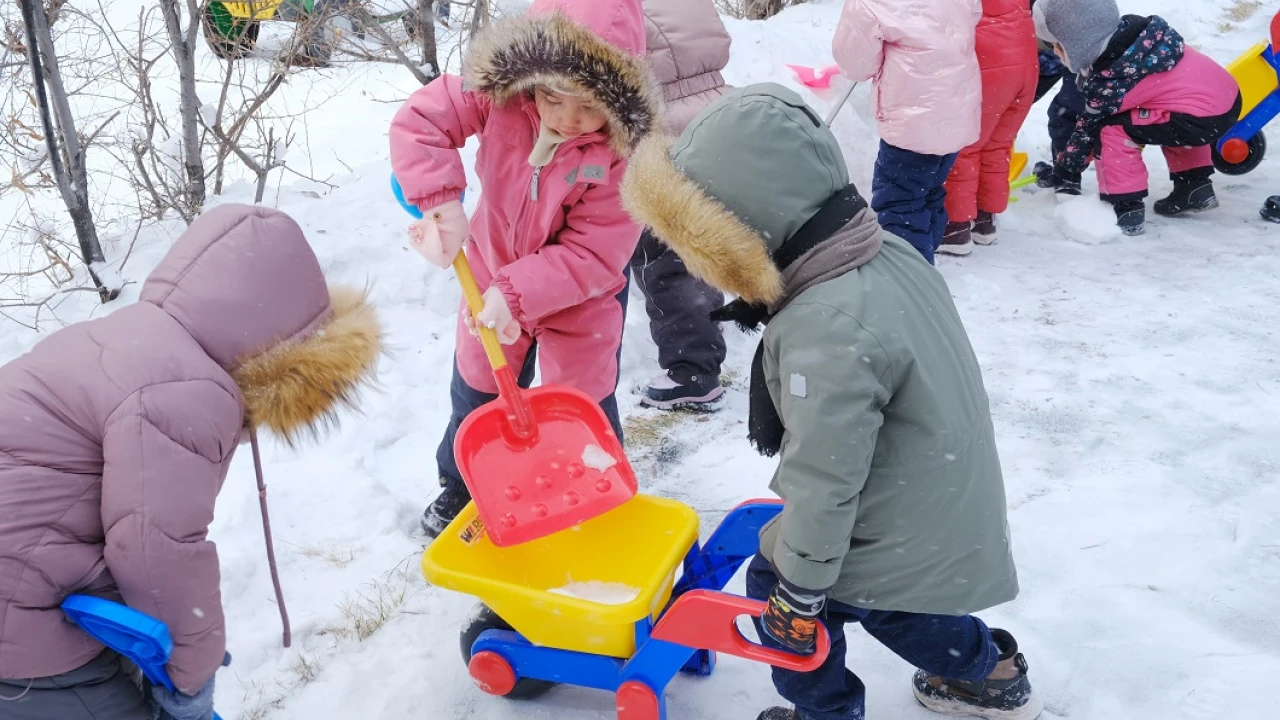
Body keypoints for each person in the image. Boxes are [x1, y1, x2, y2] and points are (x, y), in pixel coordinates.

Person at [621, 82, 1041, 720]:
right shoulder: (883, 253)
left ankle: (827, 712)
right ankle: (991, 670)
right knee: (896, 607)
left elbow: (824, 477)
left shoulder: (828, 326)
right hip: (931, 498)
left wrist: (799, 587)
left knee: (789, 588)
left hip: (890, 521)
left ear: (746, 232)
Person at [0, 205, 382, 720]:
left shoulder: (130, 337)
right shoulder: (187, 393)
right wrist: (191, 683)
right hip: (18, 617)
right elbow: (156, 551)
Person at [388, 0, 662, 537]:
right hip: (490, 270)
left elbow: (593, 253)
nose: (565, 117)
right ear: (529, 75)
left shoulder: (624, 158)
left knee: (581, 407)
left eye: (588, 104)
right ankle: (462, 487)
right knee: (476, 391)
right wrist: (441, 202)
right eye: (553, 96)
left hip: (581, 299)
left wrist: (516, 293)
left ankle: (588, 497)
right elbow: (422, 122)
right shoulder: (503, 97)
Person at [1034, 0, 1242, 235]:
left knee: (1110, 129)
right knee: (1165, 112)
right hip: (1224, 99)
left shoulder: (1112, 81)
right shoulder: (1137, 40)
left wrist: (1065, 170)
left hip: (1197, 117)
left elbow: (1086, 130)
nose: (1055, 53)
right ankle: (1194, 186)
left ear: (1079, 45)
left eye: (1058, 47)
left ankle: (1125, 207)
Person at [630, 0, 730, 411]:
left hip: (662, 133)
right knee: (693, 241)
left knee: (665, 260)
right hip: (710, 121)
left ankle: (692, 371)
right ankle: (705, 339)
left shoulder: (623, 11)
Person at [832, 0, 982, 265]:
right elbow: (973, 14)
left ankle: (910, 276)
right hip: (955, 111)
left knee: (899, 204)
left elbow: (856, 64)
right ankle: (926, 254)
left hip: (911, 124)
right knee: (930, 191)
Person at [939, 0, 1040, 255]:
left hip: (990, 59)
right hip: (1023, 56)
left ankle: (955, 227)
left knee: (965, 145)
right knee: (997, 145)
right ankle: (985, 220)